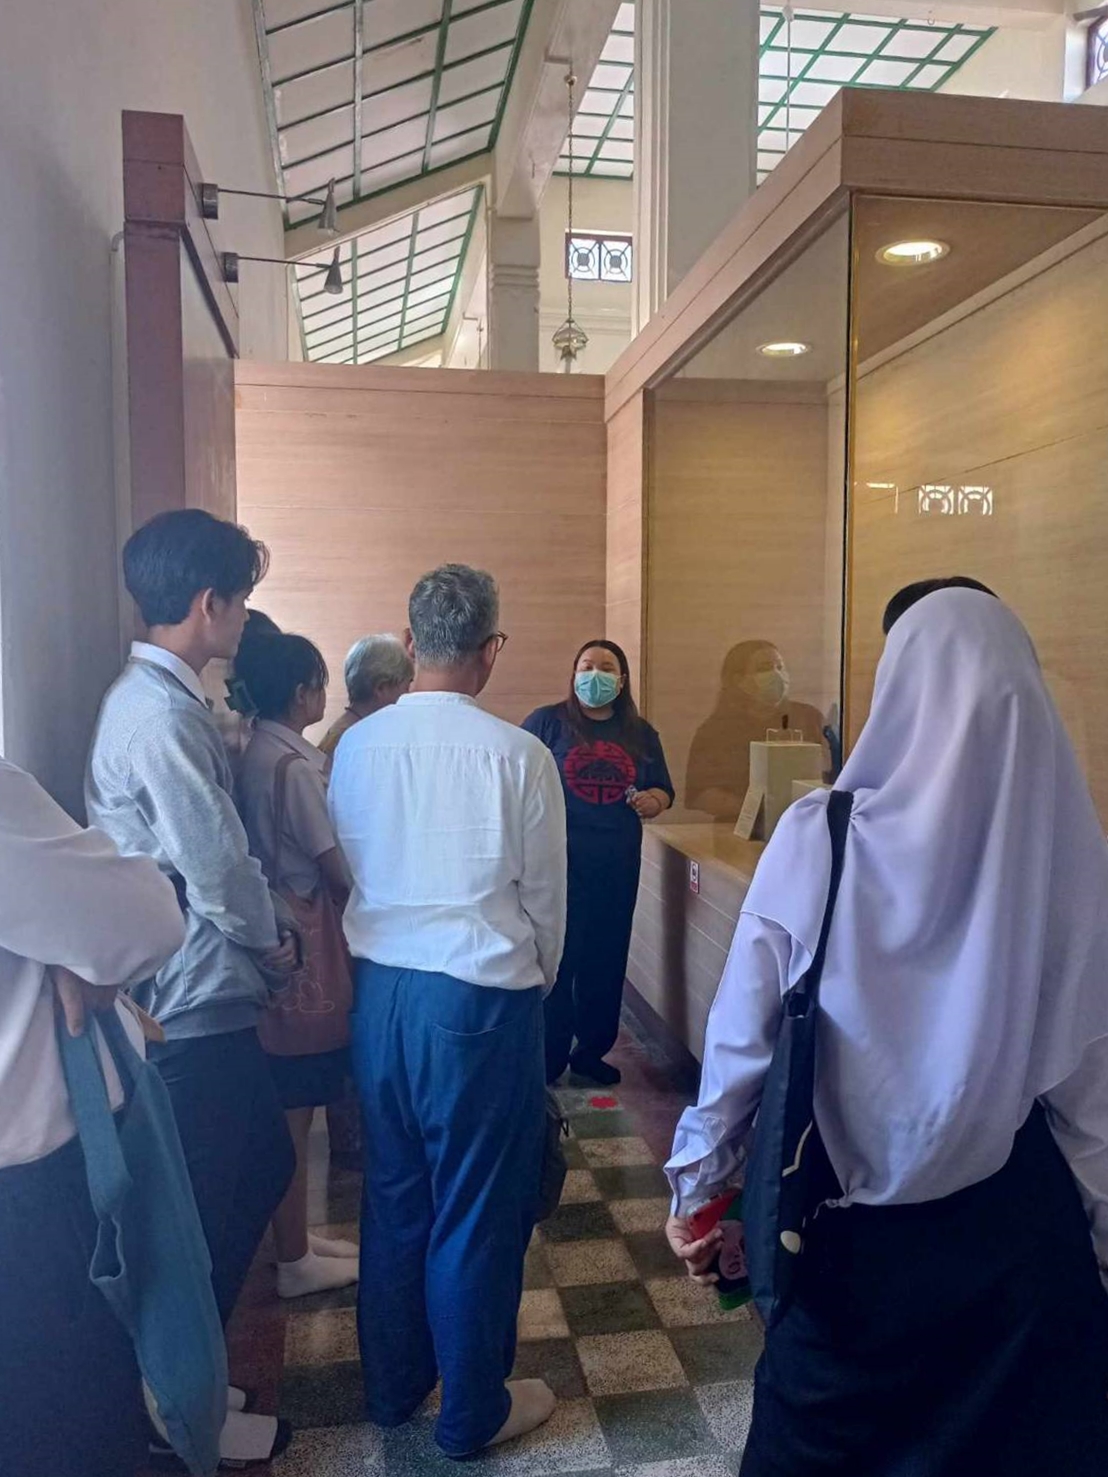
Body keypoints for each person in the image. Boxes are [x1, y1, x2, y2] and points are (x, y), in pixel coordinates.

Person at [665, 585, 1108, 1477]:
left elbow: (743, 1039)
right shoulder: (1069, 864)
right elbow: (1091, 1092)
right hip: (1013, 1258)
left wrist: (699, 1182)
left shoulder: (818, 838)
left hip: (844, 1245)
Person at [329, 564, 567, 1459]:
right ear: (491, 648)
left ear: (409, 639)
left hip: (379, 995)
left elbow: (350, 864)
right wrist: (535, 984)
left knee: (395, 1196)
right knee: (475, 1208)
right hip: (476, 1001)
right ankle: (470, 1412)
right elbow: (546, 902)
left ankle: (393, 1390)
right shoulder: (519, 754)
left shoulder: (357, 745)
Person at [86, 508, 297, 1469]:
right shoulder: (161, 713)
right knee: (216, 1198)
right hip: (189, 991)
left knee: (245, 1172)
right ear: (210, 602)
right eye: (242, 599)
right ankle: (180, 1410)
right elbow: (213, 864)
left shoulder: (160, 699)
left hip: (193, 984)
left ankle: (192, 1388)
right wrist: (273, 941)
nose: (246, 619)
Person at [0, 757, 185, 1477]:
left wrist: (70, 950)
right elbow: (144, 918)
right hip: (25, 1200)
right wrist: (78, 950)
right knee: (69, 1432)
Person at [234, 631, 360, 1299]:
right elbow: (334, 868)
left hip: (271, 940)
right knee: (294, 1113)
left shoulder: (256, 750)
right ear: (301, 691)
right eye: (317, 683)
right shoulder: (296, 768)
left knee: (292, 1109)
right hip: (301, 945)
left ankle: (298, 1240)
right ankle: (293, 1258)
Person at [523, 640, 674, 1085]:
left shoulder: (641, 734)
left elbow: (664, 789)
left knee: (605, 960)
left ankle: (591, 1051)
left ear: (622, 680)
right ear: (573, 674)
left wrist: (654, 800)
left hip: (616, 864)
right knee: (558, 958)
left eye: (606, 668)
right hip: (558, 865)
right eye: (587, 666)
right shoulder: (546, 723)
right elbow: (517, 779)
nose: (595, 675)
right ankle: (548, 1055)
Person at [685, 640, 825, 820]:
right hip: (738, 826)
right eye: (764, 668)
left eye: (780, 667)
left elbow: (831, 774)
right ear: (738, 679)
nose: (776, 674)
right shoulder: (715, 730)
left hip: (803, 821)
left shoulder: (808, 717)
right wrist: (757, 810)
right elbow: (701, 794)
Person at [318, 632, 414, 762]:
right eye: (406, 687)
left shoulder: (350, 733)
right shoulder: (352, 742)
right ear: (381, 688)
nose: (408, 695)